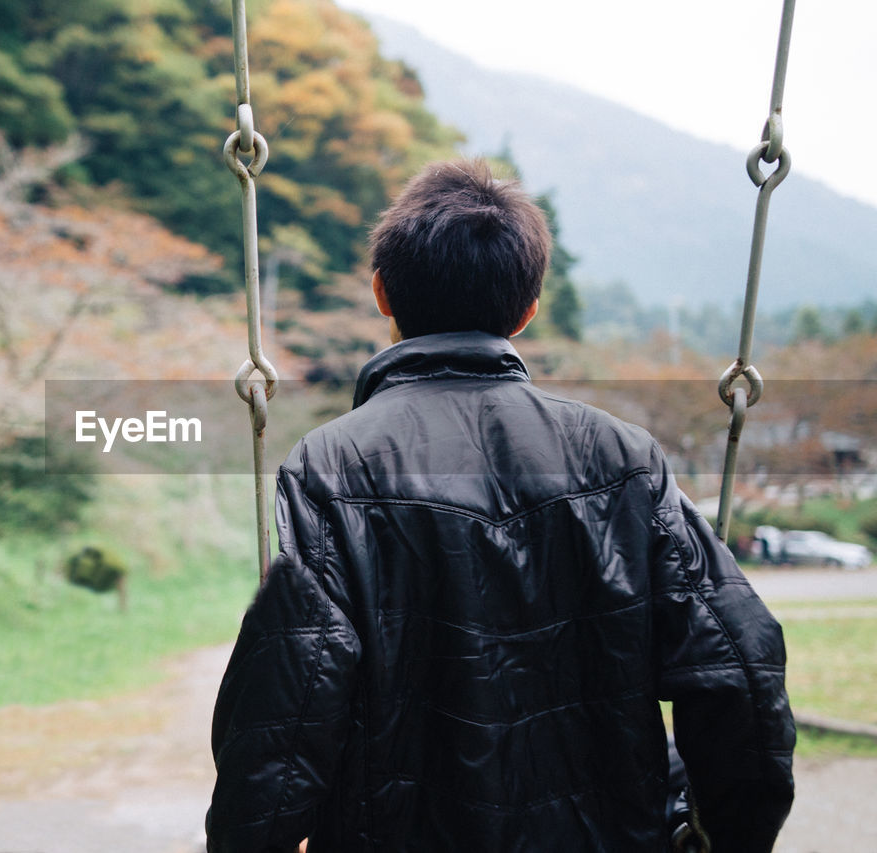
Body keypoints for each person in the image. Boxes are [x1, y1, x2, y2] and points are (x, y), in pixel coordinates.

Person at [205, 159, 795, 852]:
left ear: (381, 293)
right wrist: (727, 833)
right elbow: (740, 672)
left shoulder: (333, 466)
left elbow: (285, 708)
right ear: (527, 310)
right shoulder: (624, 458)